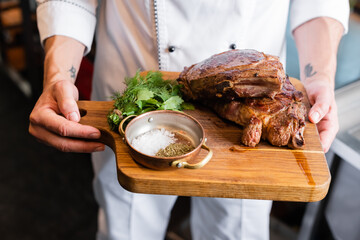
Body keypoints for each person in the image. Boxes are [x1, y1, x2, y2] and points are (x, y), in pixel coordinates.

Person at [30, 1, 349, 239]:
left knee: (235, 230)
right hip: (135, 83)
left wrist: (319, 75)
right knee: (126, 228)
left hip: (258, 87)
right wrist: (59, 73)